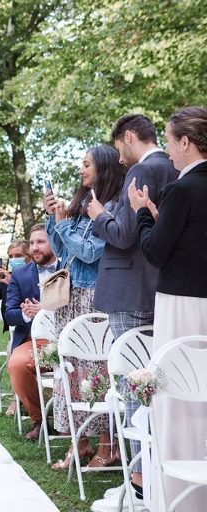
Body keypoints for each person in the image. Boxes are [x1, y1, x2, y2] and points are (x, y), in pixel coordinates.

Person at [87, 114, 177, 511]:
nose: (119, 158)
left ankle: (139, 486)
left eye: (118, 147)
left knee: (132, 386)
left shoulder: (142, 168)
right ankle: (150, 477)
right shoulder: (175, 167)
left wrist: (98, 217)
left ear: (127, 137)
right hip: (160, 290)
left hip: (129, 292)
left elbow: (123, 234)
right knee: (157, 383)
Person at [129, 106, 207, 512]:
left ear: (186, 142)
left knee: (178, 396)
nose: (168, 152)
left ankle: (181, 497)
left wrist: (143, 214)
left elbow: (156, 251)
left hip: (182, 305)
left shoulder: (183, 189)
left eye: (170, 140)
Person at [43, 145, 125, 471]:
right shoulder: (82, 204)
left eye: (86, 164)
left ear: (102, 168)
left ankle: (108, 447)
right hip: (70, 296)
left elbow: (91, 252)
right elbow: (62, 249)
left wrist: (63, 223)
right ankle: (80, 443)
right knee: (71, 371)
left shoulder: (111, 207)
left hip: (92, 297)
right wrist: (54, 219)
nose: (81, 169)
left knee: (96, 370)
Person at [5, 224, 58, 441]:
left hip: (70, 339)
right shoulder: (20, 275)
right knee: (17, 364)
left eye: (41, 242)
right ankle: (39, 421)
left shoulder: (72, 268)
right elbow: (10, 313)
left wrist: (44, 309)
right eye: (33, 242)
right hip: (35, 341)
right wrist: (27, 314)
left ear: (54, 242)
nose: (35, 247)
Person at [0, 239, 30, 415]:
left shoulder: (32, 275)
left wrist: (14, 283)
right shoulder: (5, 278)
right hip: (16, 331)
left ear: (29, 257)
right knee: (13, 351)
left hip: (34, 328)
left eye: (19, 255)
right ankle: (15, 399)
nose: (14, 259)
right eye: (11, 256)